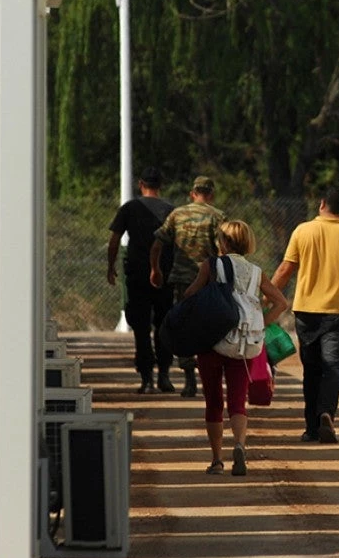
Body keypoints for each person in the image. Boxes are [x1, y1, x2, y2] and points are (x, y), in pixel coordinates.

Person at [182, 220, 288, 476]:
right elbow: (281, 302)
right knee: (238, 401)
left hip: (212, 341)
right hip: (243, 343)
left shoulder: (211, 265)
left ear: (225, 242)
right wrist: (259, 323)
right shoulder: (256, 271)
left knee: (213, 400)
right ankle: (239, 445)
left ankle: (217, 460)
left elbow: (189, 294)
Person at [272, 187, 339, 443]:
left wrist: (267, 297)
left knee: (312, 370)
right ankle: (326, 411)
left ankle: (311, 428)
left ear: (322, 204)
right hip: (338, 312)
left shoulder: (302, 231)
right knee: (334, 368)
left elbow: (286, 269)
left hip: (306, 311)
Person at [150, 175, 226, 397]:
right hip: (210, 281)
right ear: (210, 194)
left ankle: (189, 379)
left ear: (193, 193)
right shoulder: (218, 216)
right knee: (211, 327)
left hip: (183, 281)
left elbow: (157, 244)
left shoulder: (177, 214)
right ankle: (210, 378)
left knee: (185, 327)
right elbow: (224, 250)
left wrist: (155, 269)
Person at [107, 167, 176, 394]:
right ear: (160, 185)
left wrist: (111, 266)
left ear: (140, 184)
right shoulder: (170, 210)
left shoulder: (129, 208)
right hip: (164, 274)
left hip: (137, 274)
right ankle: (164, 375)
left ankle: (146, 378)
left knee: (141, 327)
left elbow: (115, 240)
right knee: (164, 325)